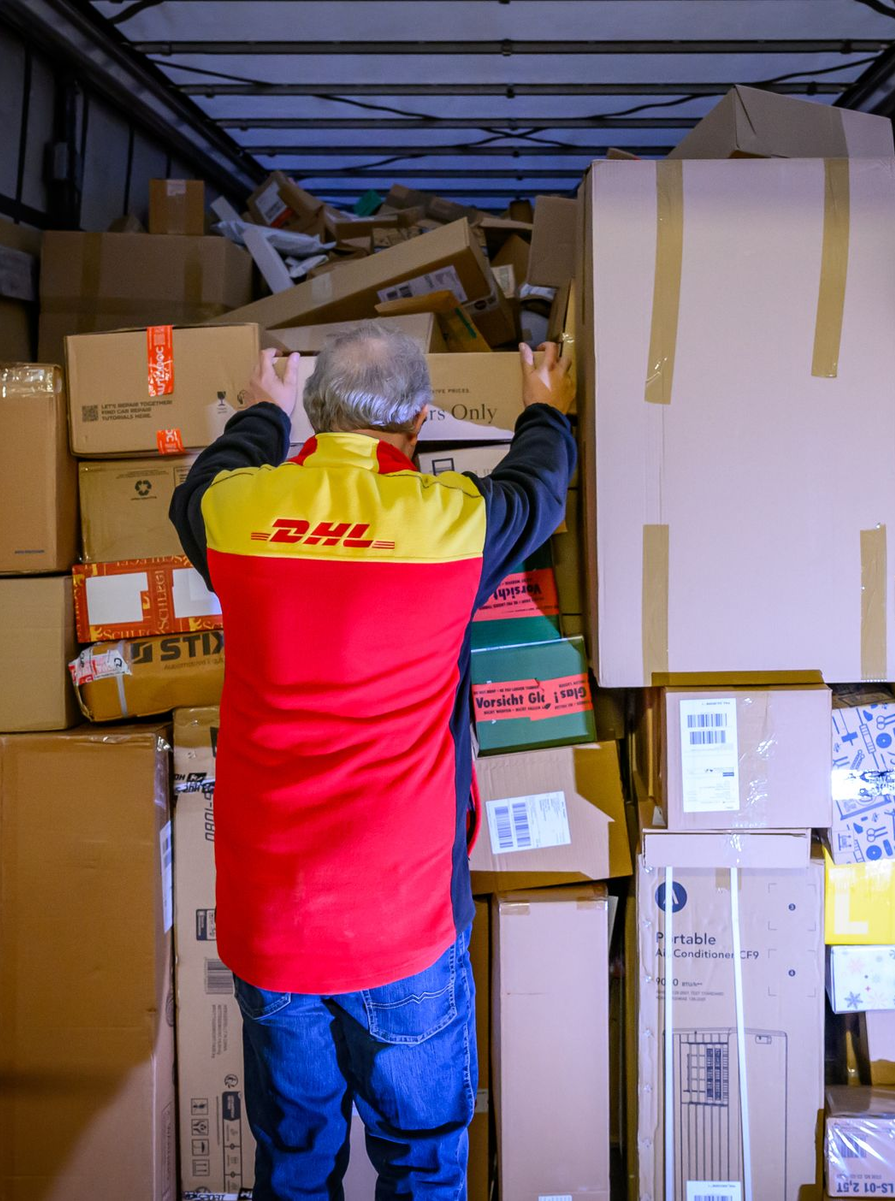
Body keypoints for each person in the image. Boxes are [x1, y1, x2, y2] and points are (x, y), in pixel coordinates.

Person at [169, 322, 576, 1199]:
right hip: (403, 926)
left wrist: (264, 412)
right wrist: (546, 408)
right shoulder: (452, 522)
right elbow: (539, 489)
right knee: (421, 1162)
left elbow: (199, 486)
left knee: (295, 1163)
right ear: (419, 422)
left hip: (271, 926)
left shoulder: (236, 513)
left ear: (315, 415)